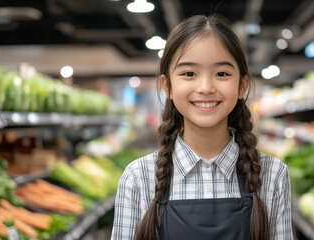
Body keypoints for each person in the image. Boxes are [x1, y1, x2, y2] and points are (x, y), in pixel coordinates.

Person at [111, 14, 292, 240]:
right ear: (167, 86)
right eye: (189, 73)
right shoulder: (138, 178)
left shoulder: (273, 175)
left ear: (242, 86)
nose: (206, 87)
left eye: (222, 74)